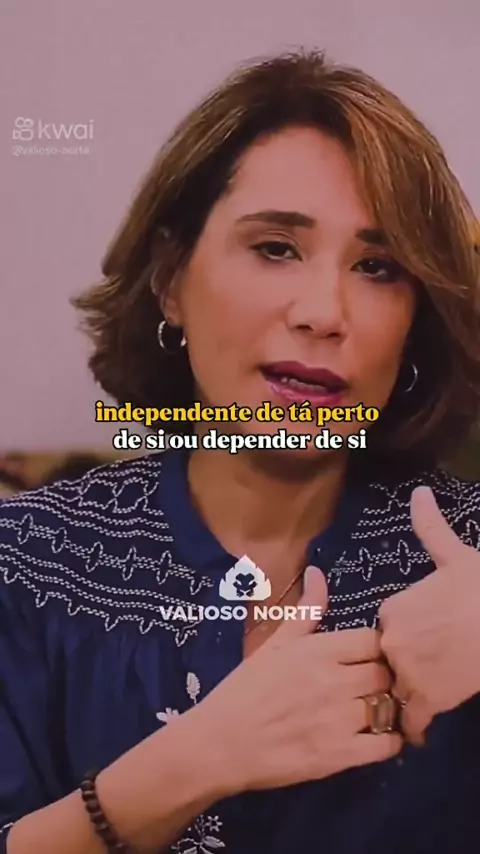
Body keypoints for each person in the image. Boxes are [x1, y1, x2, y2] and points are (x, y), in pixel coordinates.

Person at [1, 49, 480, 854]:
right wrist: (196, 761)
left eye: (377, 267)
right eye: (276, 247)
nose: (324, 312)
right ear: (171, 280)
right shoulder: (26, 561)